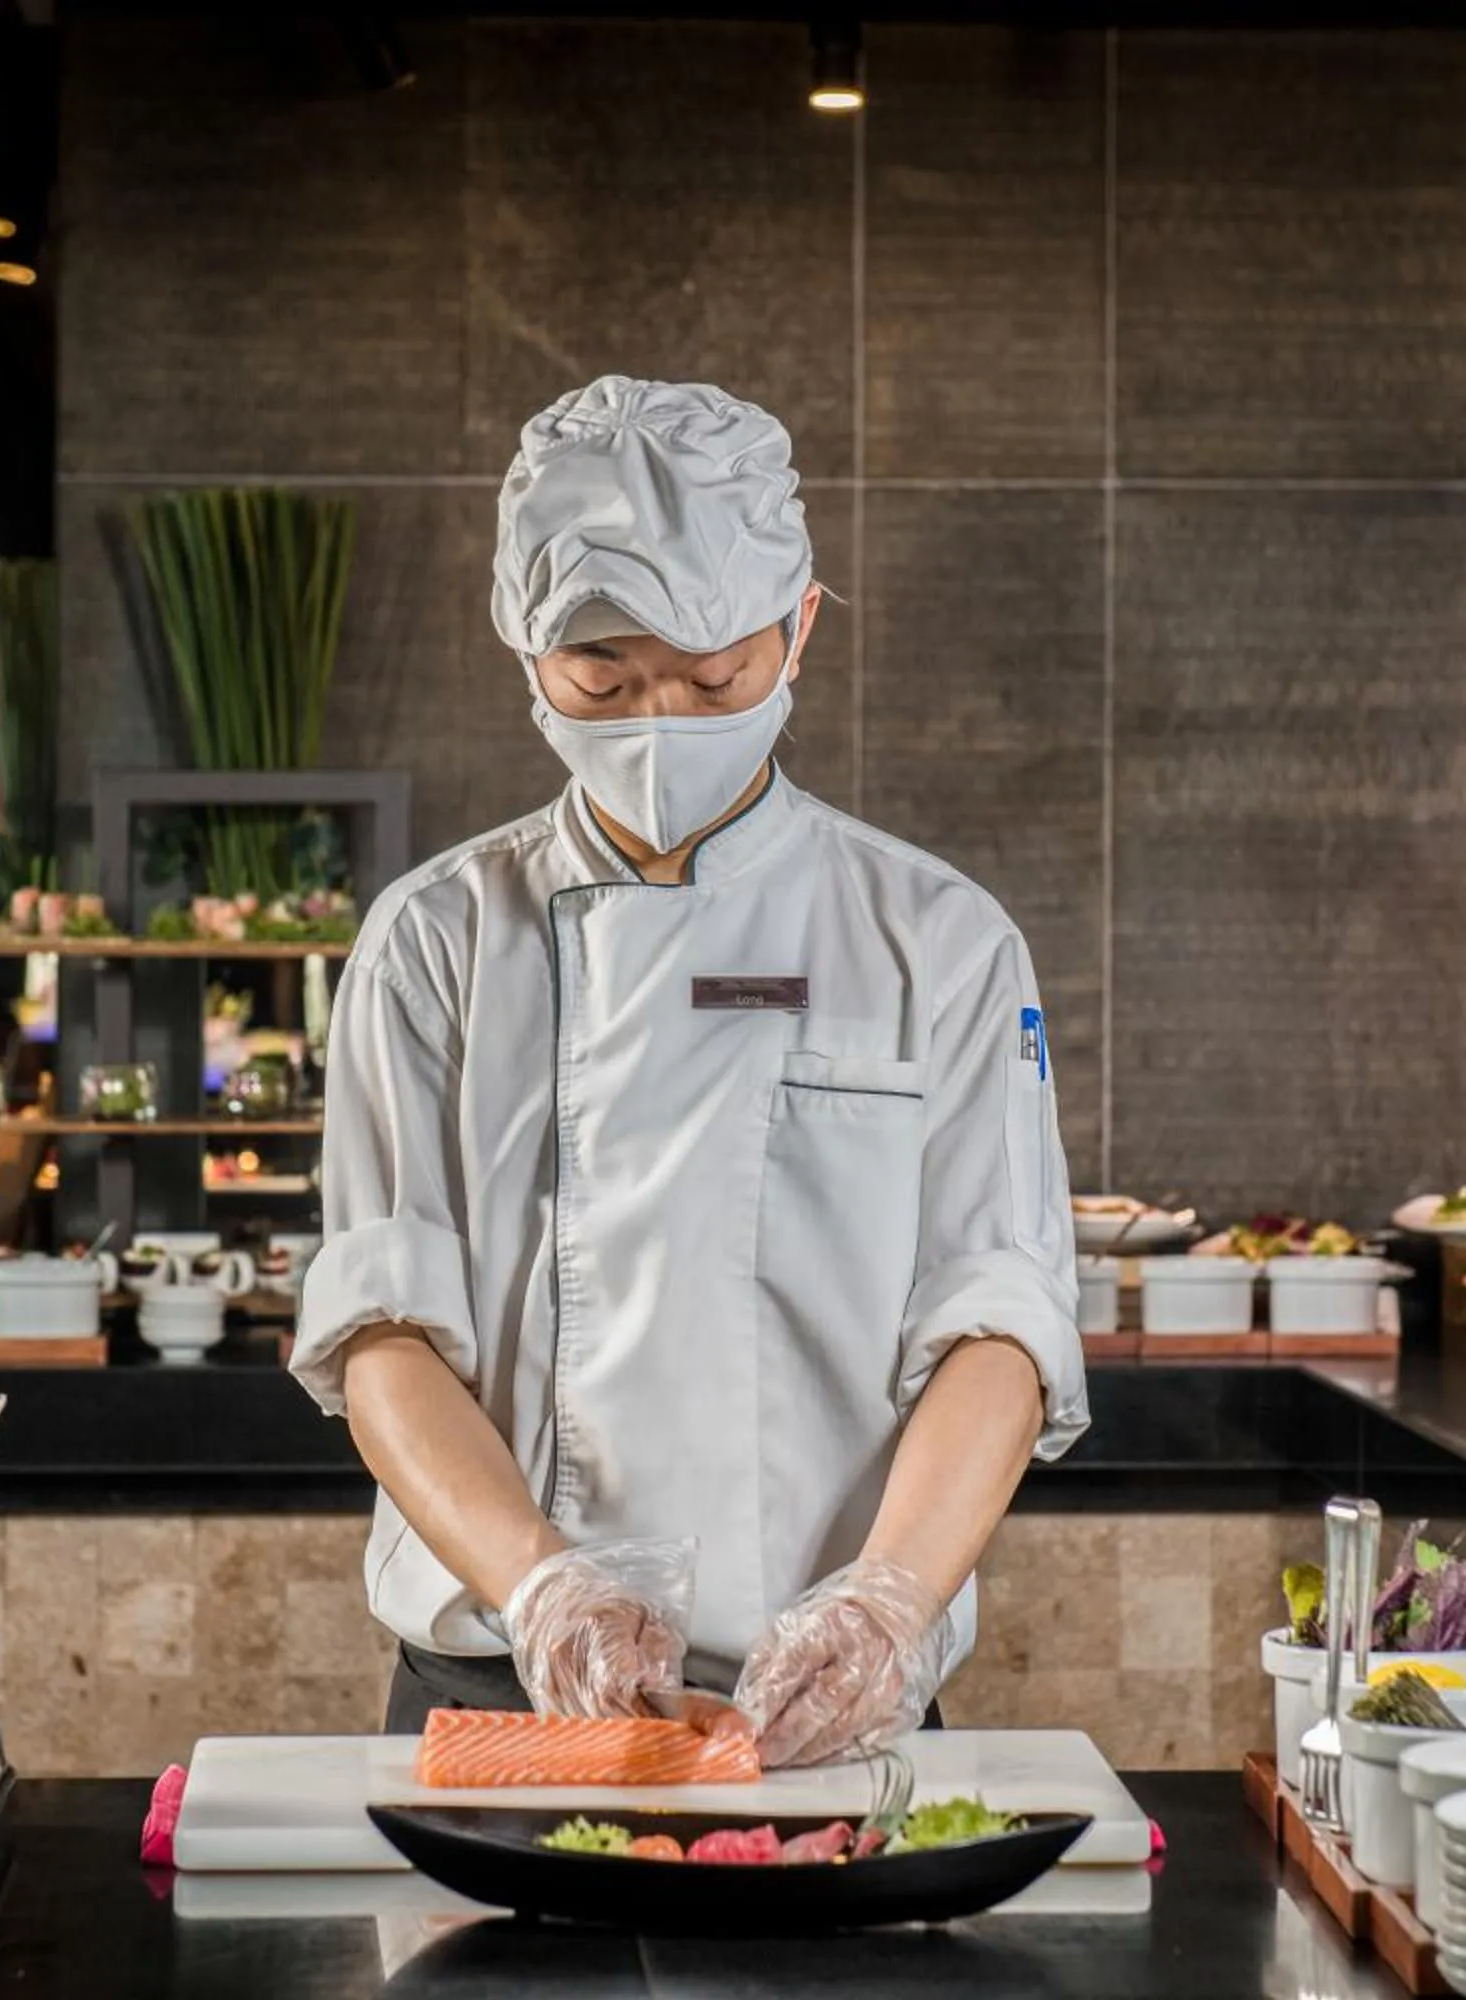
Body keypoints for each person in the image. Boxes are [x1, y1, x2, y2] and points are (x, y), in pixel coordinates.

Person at [291, 376, 1087, 1769]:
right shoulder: (437, 939)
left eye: (716, 674)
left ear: (802, 630)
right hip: (494, 1679)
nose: (662, 715)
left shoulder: (938, 941)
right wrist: (542, 1588)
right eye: (603, 672)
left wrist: (891, 1603)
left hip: (831, 1691)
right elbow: (380, 1331)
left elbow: (1001, 1322)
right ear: (521, 646)